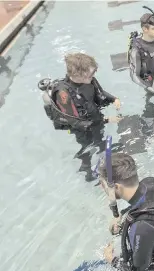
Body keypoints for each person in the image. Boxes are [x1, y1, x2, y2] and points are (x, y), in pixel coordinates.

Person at [37, 52, 122, 182]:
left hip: (95, 119)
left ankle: (102, 151)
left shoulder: (89, 80)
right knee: (86, 145)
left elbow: (100, 92)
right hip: (82, 129)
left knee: (99, 138)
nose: (93, 75)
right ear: (77, 74)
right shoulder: (63, 93)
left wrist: (113, 99)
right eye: (91, 73)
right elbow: (75, 122)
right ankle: (87, 169)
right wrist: (107, 120)